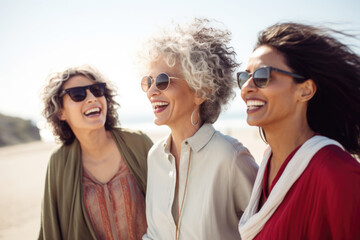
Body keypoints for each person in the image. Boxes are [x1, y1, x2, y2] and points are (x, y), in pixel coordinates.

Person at [237, 22, 360, 240]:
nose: (246, 87)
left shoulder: (336, 172)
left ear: (305, 91)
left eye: (262, 76)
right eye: (244, 77)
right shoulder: (268, 158)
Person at [138, 18, 258, 240]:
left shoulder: (229, 156)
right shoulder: (155, 156)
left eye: (163, 81)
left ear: (201, 91)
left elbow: (265, 226)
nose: (152, 91)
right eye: (149, 81)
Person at [38, 65, 153, 240]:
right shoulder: (58, 161)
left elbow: (171, 206)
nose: (92, 98)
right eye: (77, 94)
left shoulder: (138, 143)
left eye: (97, 90)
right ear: (60, 111)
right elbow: (52, 227)